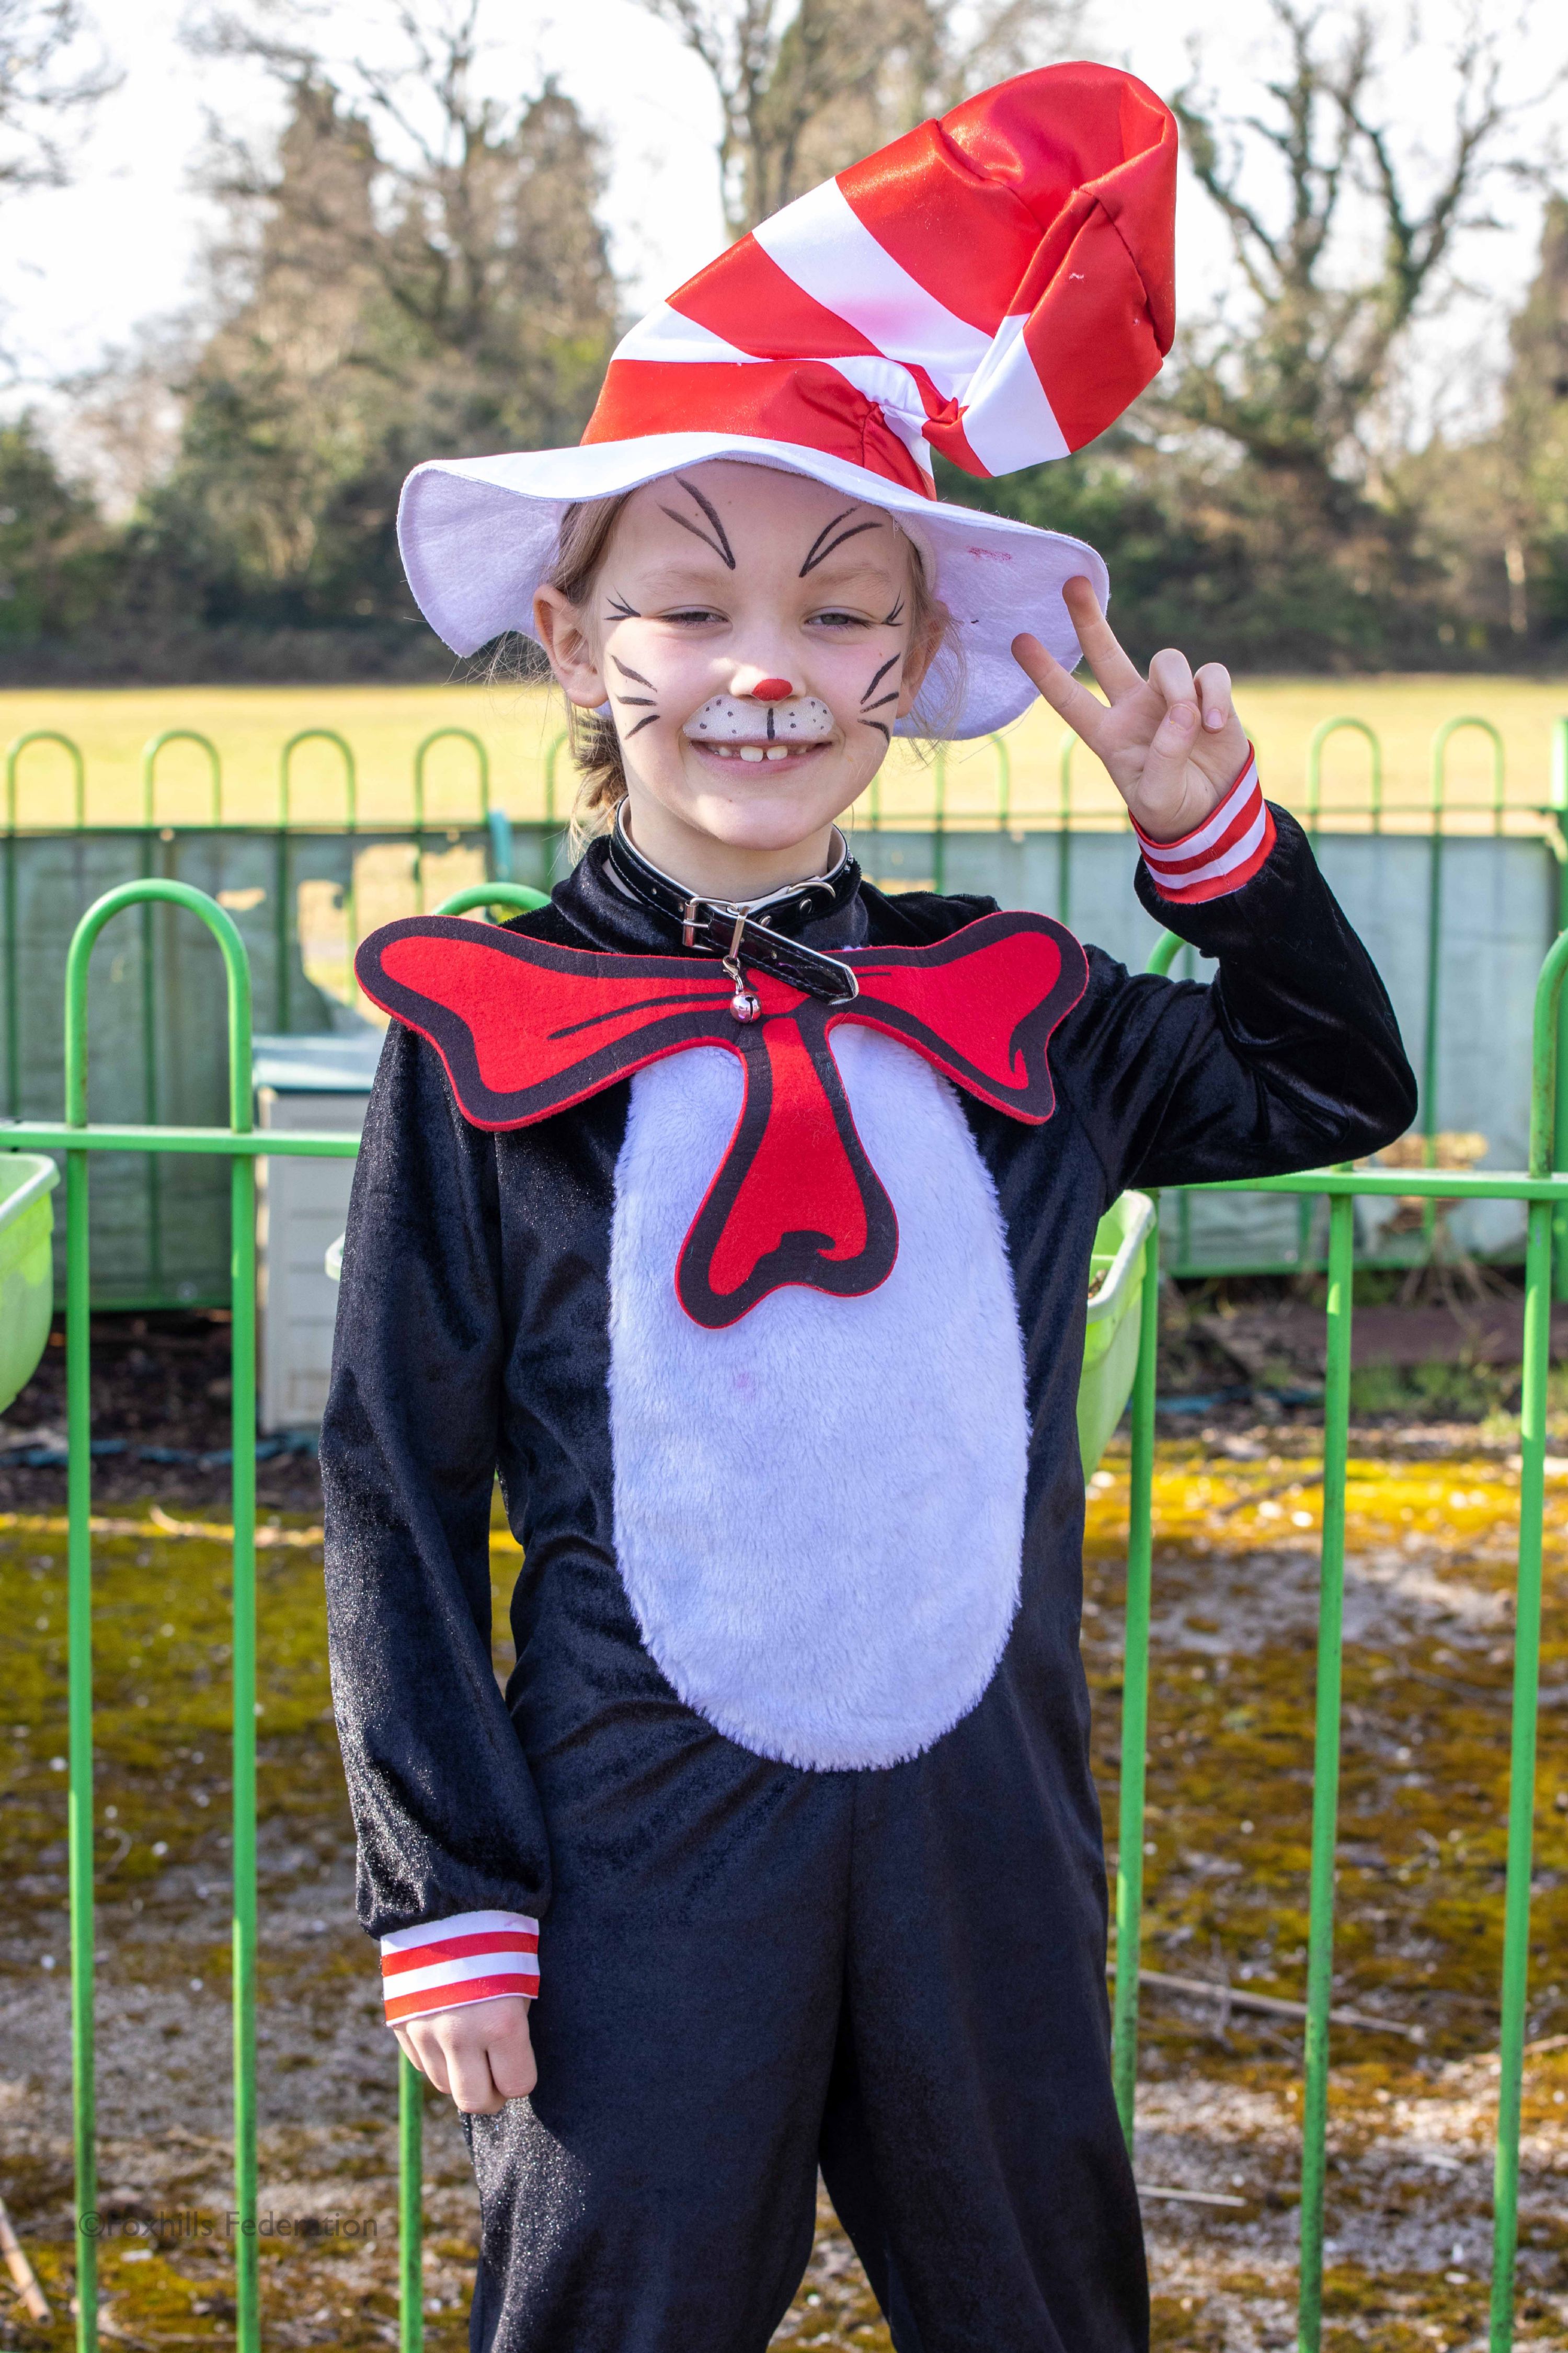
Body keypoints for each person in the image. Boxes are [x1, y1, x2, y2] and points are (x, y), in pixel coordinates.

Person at [321, 60, 1416, 2353]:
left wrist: (1213, 845)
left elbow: (1333, 1080)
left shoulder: (1018, 1009)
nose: (761, 673)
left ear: (911, 672)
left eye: (837, 618)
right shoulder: (481, 1040)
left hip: (980, 1846)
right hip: (636, 1850)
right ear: (574, 645)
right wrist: (450, 1893)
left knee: (1040, 2309)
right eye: (688, 605)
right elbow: (397, 1486)